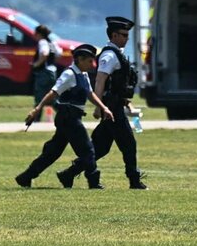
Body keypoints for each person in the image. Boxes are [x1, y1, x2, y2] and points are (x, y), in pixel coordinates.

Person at [58, 16, 147, 189]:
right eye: (123, 35)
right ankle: (134, 180)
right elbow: (100, 80)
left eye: (127, 35)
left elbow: (117, 84)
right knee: (128, 143)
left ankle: (68, 174)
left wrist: (125, 102)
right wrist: (100, 107)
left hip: (115, 105)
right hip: (111, 108)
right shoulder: (109, 56)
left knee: (100, 147)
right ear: (114, 35)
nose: (126, 38)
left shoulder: (117, 54)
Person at [15, 44, 114, 189]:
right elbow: (53, 92)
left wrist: (103, 107)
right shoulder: (69, 74)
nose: (93, 65)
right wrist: (37, 109)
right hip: (69, 118)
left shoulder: (83, 74)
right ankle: (93, 182)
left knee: (53, 152)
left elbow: (90, 93)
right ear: (80, 60)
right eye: (89, 61)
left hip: (71, 118)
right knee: (88, 150)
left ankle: (26, 177)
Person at [31, 24, 59, 106]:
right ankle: (65, 114)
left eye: (35, 33)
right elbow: (58, 55)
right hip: (52, 72)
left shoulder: (42, 42)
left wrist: (36, 64)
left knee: (39, 98)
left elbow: (44, 54)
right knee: (53, 98)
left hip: (44, 73)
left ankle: (36, 117)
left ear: (39, 34)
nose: (34, 35)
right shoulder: (52, 43)